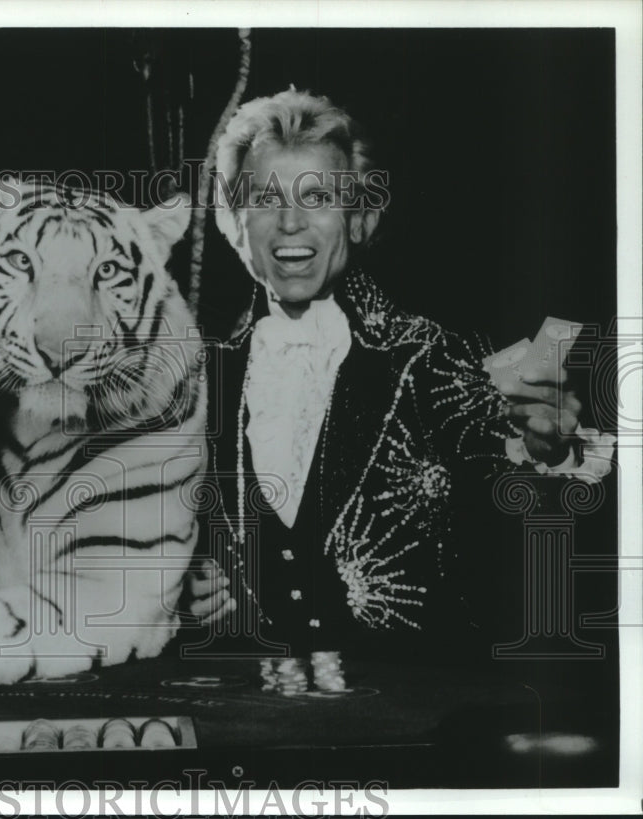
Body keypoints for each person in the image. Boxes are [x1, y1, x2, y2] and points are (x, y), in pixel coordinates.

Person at [179, 89, 613, 656]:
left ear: (360, 219)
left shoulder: (432, 358)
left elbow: (537, 529)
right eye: (265, 199)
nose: (289, 222)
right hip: (256, 719)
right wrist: (179, 590)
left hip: (415, 716)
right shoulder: (198, 380)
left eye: (318, 198)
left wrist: (551, 452)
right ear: (235, 224)